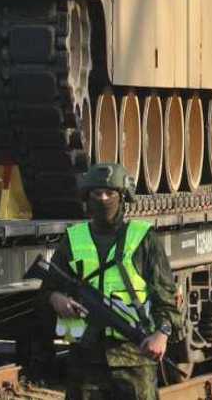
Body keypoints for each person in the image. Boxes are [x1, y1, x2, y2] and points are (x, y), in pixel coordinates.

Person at [40, 163, 180, 399]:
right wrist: (57, 299)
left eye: (110, 193)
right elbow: (48, 289)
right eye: (96, 193)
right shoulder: (74, 239)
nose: (103, 199)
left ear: (122, 197)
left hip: (134, 358)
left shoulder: (144, 239)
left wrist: (162, 334)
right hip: (85, 359)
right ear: (87, 197)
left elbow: (166, 297)